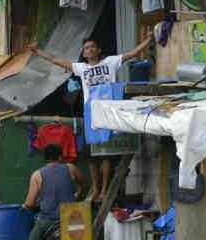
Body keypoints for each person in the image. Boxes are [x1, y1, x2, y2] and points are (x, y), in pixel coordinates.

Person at [39, 34, 153, 203]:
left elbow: (132, 54)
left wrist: (148, 40)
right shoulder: (81, 68)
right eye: (86, 48)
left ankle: (105, 189)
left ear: (99, 50)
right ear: (84, 53)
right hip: (91, 113)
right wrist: (37, 51)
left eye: (92, 46)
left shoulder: (110, 62)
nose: (90, 49)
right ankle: (97, 188)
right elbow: (56, 60)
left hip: (108, 111)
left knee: (105, 153)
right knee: (91, 154)